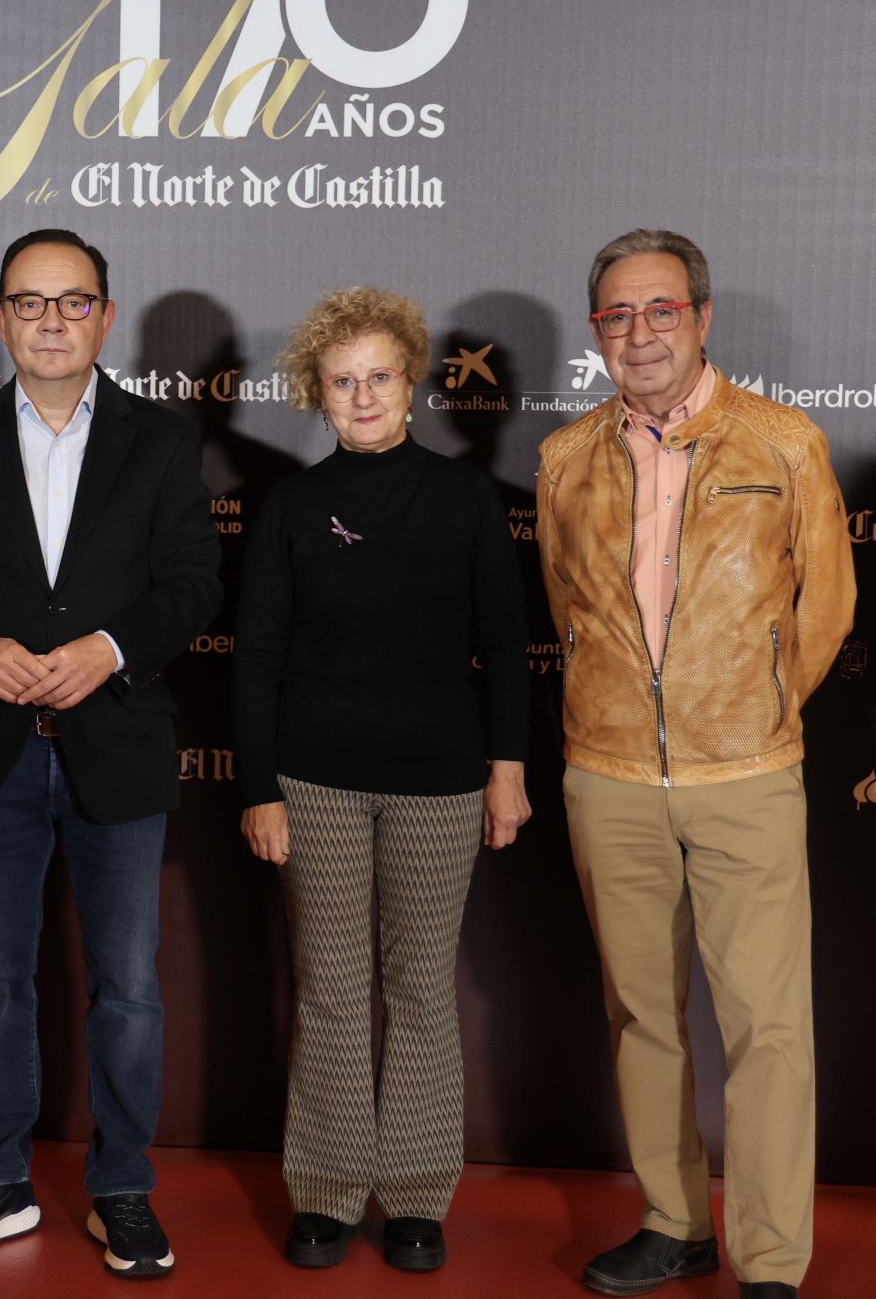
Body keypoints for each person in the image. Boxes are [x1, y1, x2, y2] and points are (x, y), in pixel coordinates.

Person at [535, 229, 854, 1299]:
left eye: (660, 309)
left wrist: (745, 714)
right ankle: (673, 1221)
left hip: (746, 772)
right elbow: (567, 608)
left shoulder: (785, 442)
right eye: (617, 315)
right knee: (642, 1012)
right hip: (608, 773)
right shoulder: (564, 457)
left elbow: (827, 609)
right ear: (598, 334)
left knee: (768, 1026)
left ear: (702, 318)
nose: (640, 332)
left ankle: (770, 1257)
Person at [0, 228, 221, 1279]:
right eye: (28, 302)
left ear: (105, 316)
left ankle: (121, 1187)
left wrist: (110, 647)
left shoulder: (164, 442)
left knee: (128, 982)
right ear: (0, 319)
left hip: (115, 744)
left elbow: (191, 583)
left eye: (72, 301)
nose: (50, 320)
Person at [232, 287, 531, 1272]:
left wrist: (507, 768)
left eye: (378, 376)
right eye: (341, 380)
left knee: (418, 987)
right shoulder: (290, 505)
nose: (361, 395)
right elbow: (256, 656)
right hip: (312, 781)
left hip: (441, 783)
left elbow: (502, 640)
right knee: (328, 986)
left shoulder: (464, 500)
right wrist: (259, 787)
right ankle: (322, 1191)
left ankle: (412, 1195)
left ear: (413, 381)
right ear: (317, 391)